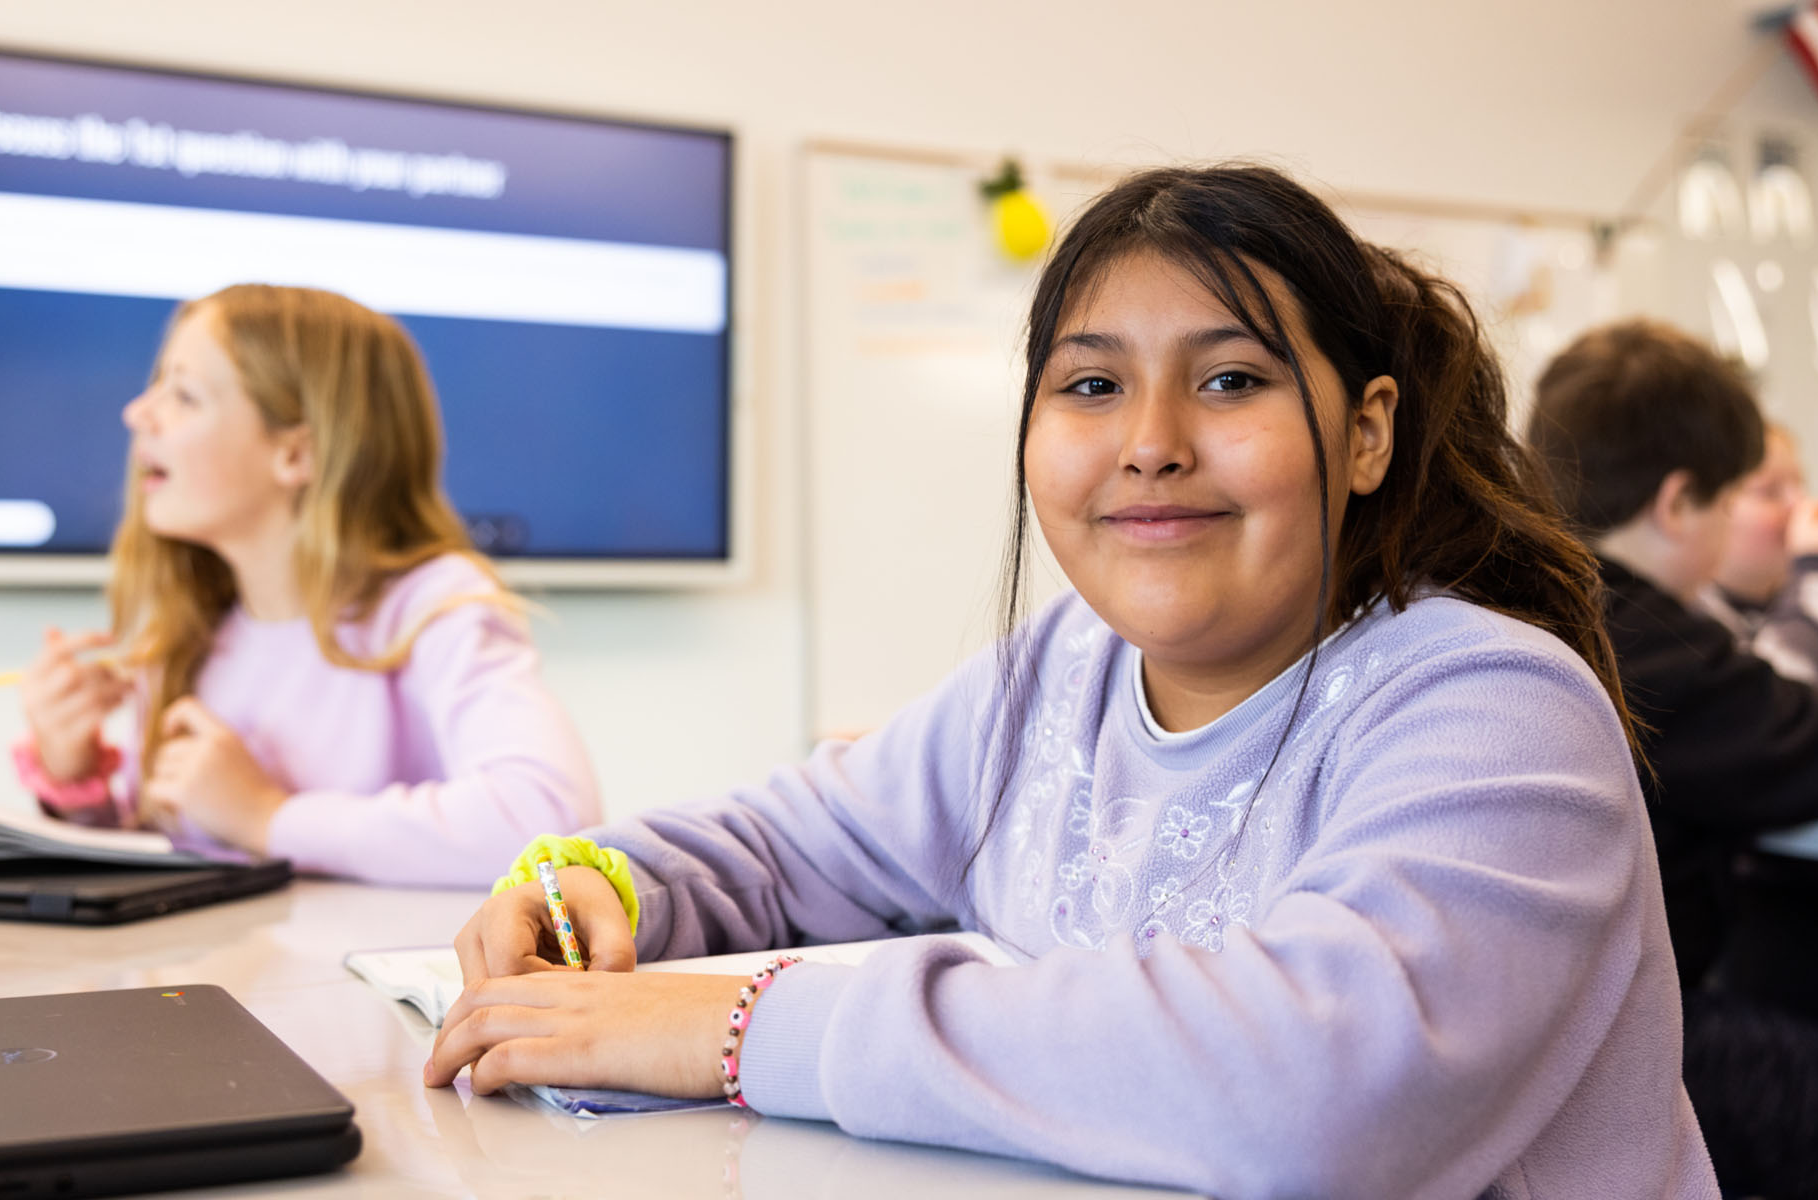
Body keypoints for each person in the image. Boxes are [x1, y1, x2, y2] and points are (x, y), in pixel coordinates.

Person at [424, 166, 1713, 1197]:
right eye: (1091, 385)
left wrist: (739, 1029)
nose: (1150, 445)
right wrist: (587, 880)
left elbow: (1313, 1096)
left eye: (1230, 381)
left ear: (1366, 430)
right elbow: (777, 844)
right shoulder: (1059, 673)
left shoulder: (1492, 704)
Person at [13, 284, 600, 887]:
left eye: (184, 395)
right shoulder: (190, 632)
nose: (137, 413)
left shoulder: (432, 609)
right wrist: (74, 775)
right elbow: (165, 866)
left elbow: (551, 820)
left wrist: (271, 817)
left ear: (297, 454)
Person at [1530, 319, 1818, 1198]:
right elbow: (1817, 744)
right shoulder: (1630, 635)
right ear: (1679, 500)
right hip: (1616, 1048)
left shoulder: (1544, 595)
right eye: (1737, 499)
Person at [1700, 422, 1818, 696]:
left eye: (1801, 485)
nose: (1801, 504)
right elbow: (1773, 704)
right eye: (1770, 491)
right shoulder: (1696, 622)